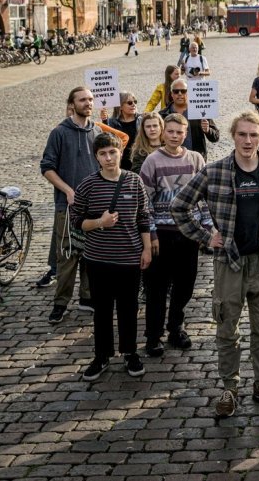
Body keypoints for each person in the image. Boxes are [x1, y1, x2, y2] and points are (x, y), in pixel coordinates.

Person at [171, 111, 259, 418]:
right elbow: (179, 206)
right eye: (242, 134)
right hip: (228, 263)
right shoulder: (215, 171)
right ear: (233, 136)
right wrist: (206, 237)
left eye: (253, 135)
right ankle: (229, 389)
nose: (248, 140)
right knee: (227, 331)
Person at [41, 87, 129, 324]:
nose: (88, 103)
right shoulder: (59, 132)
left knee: (92, 254)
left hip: (96, 205)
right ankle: (60, 303)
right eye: (83, 100)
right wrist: (68, 190)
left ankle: (87, 297)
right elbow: (47, 168)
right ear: (72, 104)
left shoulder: (98, 131)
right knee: (67, 257)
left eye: (90, 99)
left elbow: (112, 158)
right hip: (67, 205)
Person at [70, 132, 153, 381]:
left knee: (129, 309)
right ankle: (101, 355)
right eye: (103, 154)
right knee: (103, 311)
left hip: (129, 258)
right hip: (98, 260)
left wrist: (147, 249)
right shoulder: (87, 185)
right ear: (96, 157)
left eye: (112, 152)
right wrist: (100, 222)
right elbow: (77, 222)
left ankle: (130, 353)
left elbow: (144, 217)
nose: (108, 158)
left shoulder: (134, 181)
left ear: (120, 153)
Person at [139, 113, 207, 357]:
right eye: (171, 131)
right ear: (163, 132)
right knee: (156, 287)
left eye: (180, 132)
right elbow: (144, 202)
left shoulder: (196, 159)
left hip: (188, 233)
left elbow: (204, 197)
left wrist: (206, 230)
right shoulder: (152, 161)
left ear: (186, 134)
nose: (175, 136)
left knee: (185, 285)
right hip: (162, 234)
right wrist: (151, 234)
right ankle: (153, 336)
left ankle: (175, 326)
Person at [159, 79, 220, 160]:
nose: (180, 94)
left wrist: (208, 130)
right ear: (171, 94)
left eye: (183, 91)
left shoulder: (200, 111)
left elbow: (215, 137)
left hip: (195, 159)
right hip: (170, 159)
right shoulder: (163, 114)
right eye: (176, 91)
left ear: (188, 93)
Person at [105, 92, 143, 171]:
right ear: (120, 106)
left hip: (139, 161)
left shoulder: (142, 120)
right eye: (129, 103)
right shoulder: (112, 122)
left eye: (135, 102)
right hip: (121, 163)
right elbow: (108, 140)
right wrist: (105, 121)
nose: (133, 105)